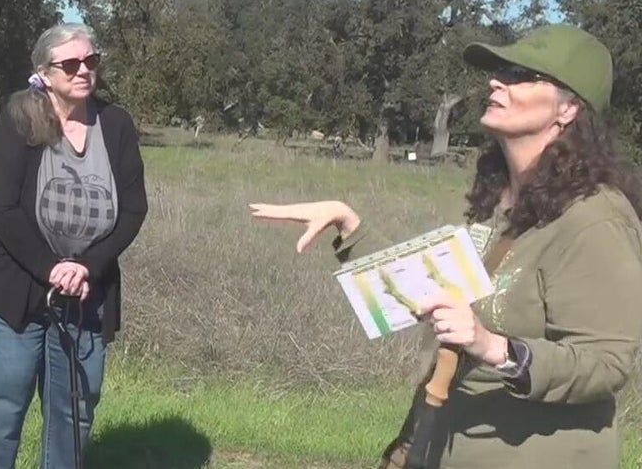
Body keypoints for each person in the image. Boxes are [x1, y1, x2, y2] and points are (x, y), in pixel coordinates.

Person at [251, 24, 642, 468]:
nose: (496, 82)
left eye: (520, 75)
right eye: (500, 72)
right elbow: (434, 292)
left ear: (568, 108)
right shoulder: (498, 203)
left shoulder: (595, 219)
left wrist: (494, 348)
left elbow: (607, 363)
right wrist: (349, 225)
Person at [0, 22, 148, 468]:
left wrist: (87, 266)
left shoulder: (115, 125)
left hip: (86, 289)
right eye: (70, 64)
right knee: (4, 397)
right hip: (9, 283)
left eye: (91, 60)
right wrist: (50, 268)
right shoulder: (22, 117)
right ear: (44, 73)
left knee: (76, 406)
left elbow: (133, 208)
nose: (84, 70)